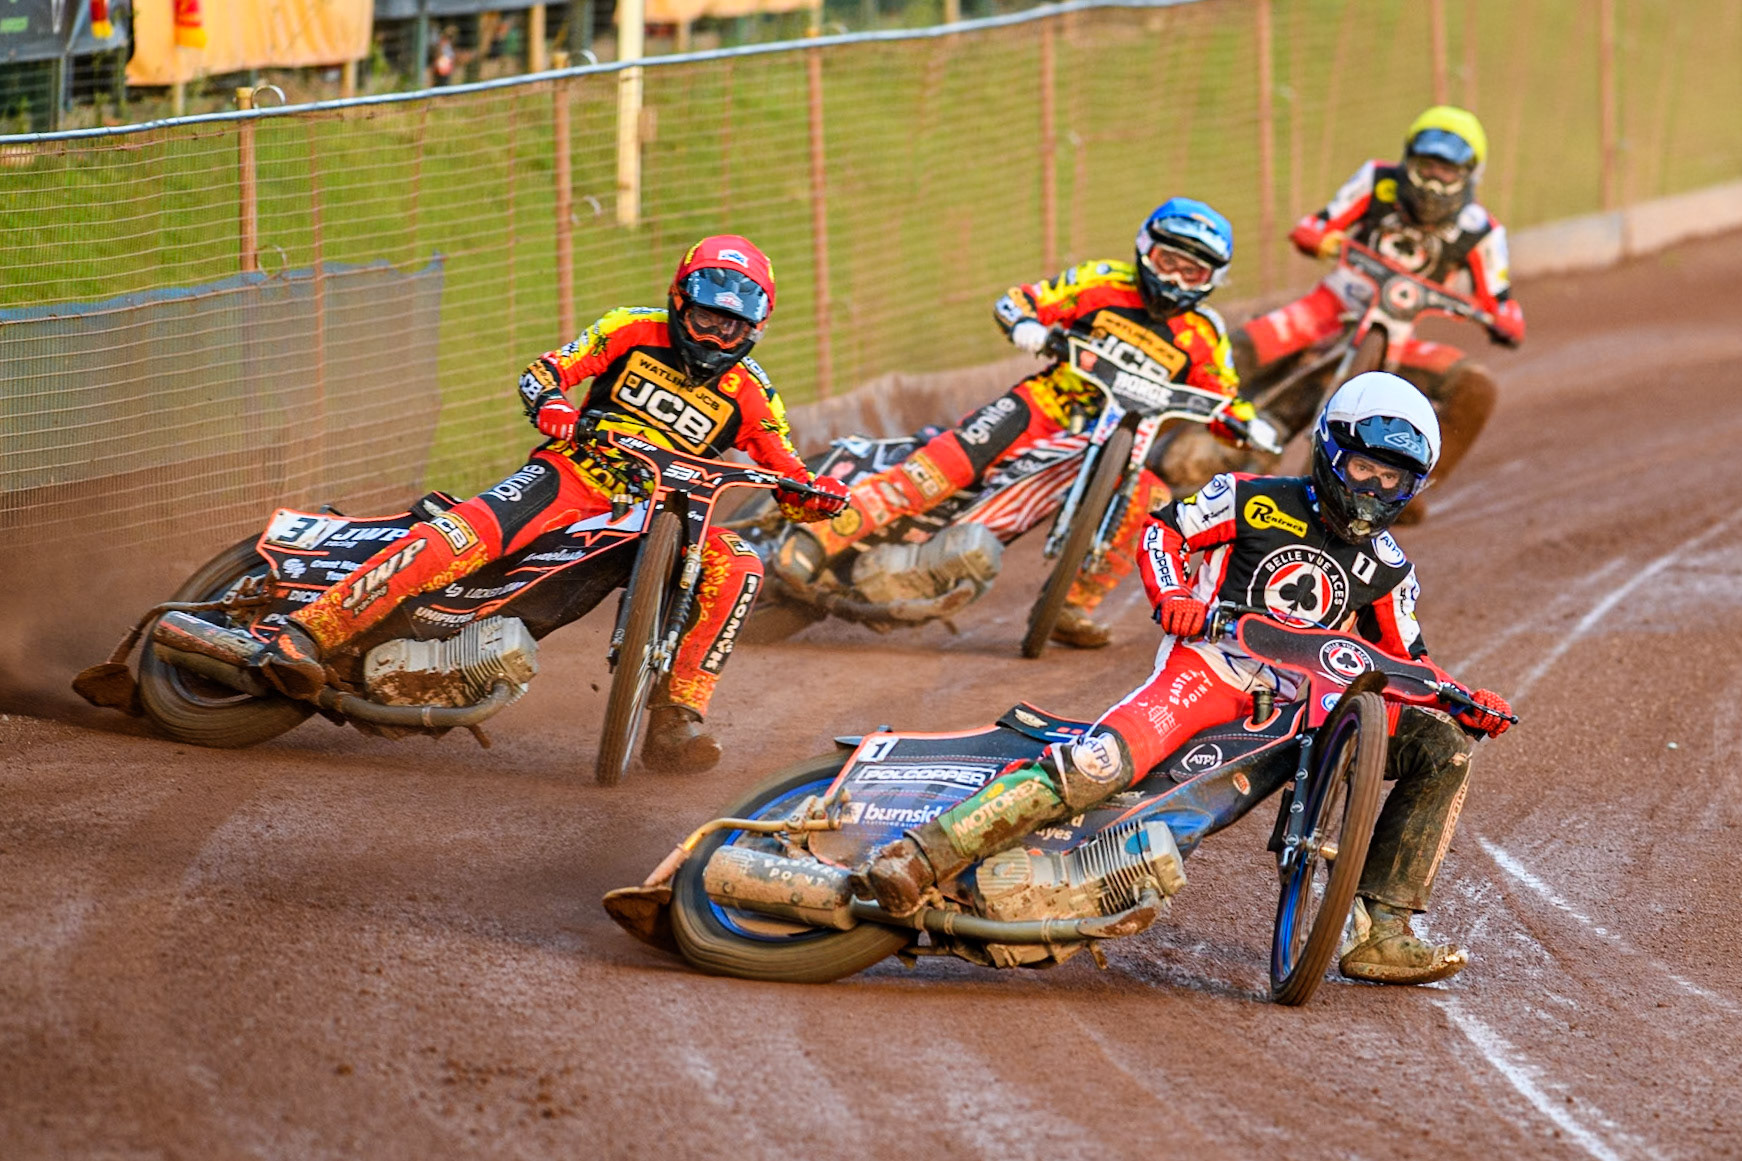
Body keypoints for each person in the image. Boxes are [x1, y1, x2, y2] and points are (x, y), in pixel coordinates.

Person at [858, 372, 1514, 985]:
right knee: (1099, 765)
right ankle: (921, 853)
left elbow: (1410, 661)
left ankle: (1381, 929)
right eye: (1364, 466)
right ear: (1329, 449)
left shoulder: (1389, 567)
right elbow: (1162, 534)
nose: (1372, 488)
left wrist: (1463, 700)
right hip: (1209, 670)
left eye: (1393, 480)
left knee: (1442, 745)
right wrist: (1175, 595)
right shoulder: (1250, 497)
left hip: (1299, 716)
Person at [258, 236, 848, 773]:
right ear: (677, 301)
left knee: (741, 563)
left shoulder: (753, 392)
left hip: (667, 516)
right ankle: (308, 632)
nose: (714, 338)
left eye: (731, 328)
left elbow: (786, 471)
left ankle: (676, 720)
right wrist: (554, 406)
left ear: (755, 330)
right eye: (702, 319)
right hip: (574, 474)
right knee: (465, 535)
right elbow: (546, 371)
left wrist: (814, 496)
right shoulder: (629, 329)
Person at [801, 198, 1258, 649]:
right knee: (946, 467)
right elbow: (1024, 301)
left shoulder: (1205, 334)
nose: (1175, 278)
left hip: (1118, 443)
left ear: (1211, 280)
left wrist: (1243, 423)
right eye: (1167, 261)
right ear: (1145, 248)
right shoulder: (1102, 281)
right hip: (1044, 406)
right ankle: (821, 533)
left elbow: (1226, 396)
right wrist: (1025, 324)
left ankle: (1070, 607)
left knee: (1151, 497)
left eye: (1191, 272)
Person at [1171, 106, 1525, 523]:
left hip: (1398, 335)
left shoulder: (1482, 230)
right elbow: (1316, 225)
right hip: (1329, 308)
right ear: (1407, 160)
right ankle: (1144, 430)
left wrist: (1500, 319)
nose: (1433, 182)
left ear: (1469, 176)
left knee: (1476, 388)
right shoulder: (1377, 181)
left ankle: (1403, 492)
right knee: (1229, 353)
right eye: (1425, 167)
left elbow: (1502, 301)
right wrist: (1318, 238)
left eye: (1446, 173)